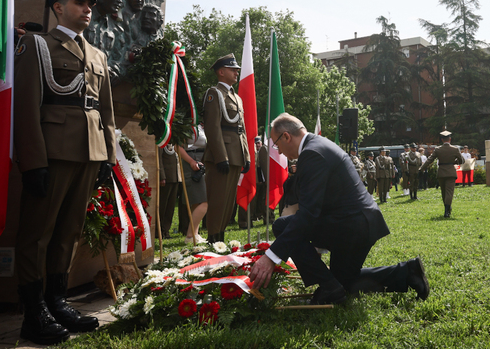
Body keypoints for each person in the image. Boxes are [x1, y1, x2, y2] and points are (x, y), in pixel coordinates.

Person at [14, 0, 116, 344]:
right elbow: (26, 106)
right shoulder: (37, 44)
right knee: (37, 233)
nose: (88, 8)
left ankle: (57, 301)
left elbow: (105, 111)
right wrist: (33, 161)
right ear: (58, 7)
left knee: (69, 231)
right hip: (53, 150)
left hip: (89, 151)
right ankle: (33, 312)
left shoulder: (98, 55)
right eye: (78, 2)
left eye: (90, 4)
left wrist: (107, 156)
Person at [248, 114, 429, 304]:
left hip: (353, 225)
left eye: (277, 145)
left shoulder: (312, 153)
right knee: (345, 282)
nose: (279, 151)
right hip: (356, 223)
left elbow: (308, 215)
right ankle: (407, 272)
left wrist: (271, 256)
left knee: (283, 225)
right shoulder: (317, 146)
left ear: (286, 136)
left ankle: (329, 288)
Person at [202, 54, 250, 244]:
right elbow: (212, 128)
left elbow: (241, 129)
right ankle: (213, 239)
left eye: (237, 70)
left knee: (229, 201)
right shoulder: (214, 94)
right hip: (221, 156)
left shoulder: (236, 98)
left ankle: (220, 238)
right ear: (221, 72)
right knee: (218, 200)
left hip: (236, 154)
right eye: (232, 69)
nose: (236, 72)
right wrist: (221, 157)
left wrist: (246, 155)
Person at [420, 131, 465, 218]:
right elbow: (462, 160)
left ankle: (446, 208)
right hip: (451, 172)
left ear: (442, 140)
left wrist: (421, 168)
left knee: (444, 192)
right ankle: (447, 210)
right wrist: (454, 162)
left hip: (441, 172)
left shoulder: (438, 149)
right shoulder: (455, 149)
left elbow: (430, 160)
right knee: (449, 192)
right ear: (450, 139)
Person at [177, 125, 208, 244]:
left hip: (202, 158)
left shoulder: (201, 125)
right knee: (205, 201)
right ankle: (190, 235)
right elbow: (177, 146)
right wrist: (191, 161)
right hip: (193, 160)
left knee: (197, 201)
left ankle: (194, 234)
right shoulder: (186, 124)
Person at [158, 144, 181, 238]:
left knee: (170, 208)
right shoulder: (161, 141)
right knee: (162, 206)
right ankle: (159, 230)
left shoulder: (174, 143)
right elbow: (159, 159)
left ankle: (166, 230)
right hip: (166, 178)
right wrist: (162, 176)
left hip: (175, 177)